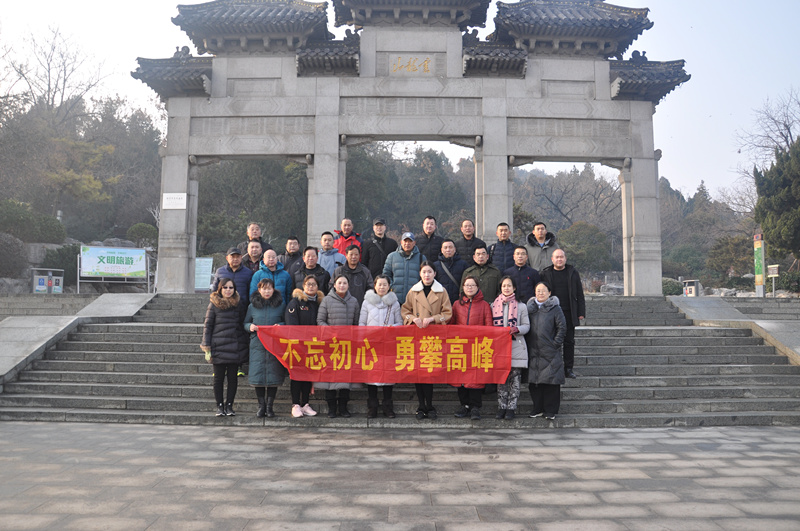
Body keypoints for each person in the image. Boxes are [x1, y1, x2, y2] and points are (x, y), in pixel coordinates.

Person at [401, 261, 452, 421]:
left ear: (434, 274)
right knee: (418, 372)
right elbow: (405, 310)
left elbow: (448, 313)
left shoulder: (441, 291)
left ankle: (429, 406)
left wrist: (433, 319)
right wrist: (413, 318)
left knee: (429, 372)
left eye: (430, 272)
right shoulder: (414, 291)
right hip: (417, 335)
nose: (427, 275)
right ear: (420, 274)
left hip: (433, 337)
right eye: (424, 272)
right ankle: (421, 406)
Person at [201, 279, 247, 417]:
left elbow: (241, 325)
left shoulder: (238, 304)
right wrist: (206, 345)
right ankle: (220, 406)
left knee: (233, 379)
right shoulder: (214, 304)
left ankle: (229, 405)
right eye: (225, 287)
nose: (228, 290)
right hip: (218, 346)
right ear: (220, 289)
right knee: (218, 379)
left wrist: (243, 344)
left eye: (231, 287)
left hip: (234, 346)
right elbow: (208, 326)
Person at [316, 275, 361, 418]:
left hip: (347, 345)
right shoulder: (327, 300)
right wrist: (332, 332)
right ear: (334, 285)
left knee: (345, 377)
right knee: (329, 378)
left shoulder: (354, 301)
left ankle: (343, 407)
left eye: (345, 283)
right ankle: (331, 408)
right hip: (330, 344)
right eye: (339, 283)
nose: (342, 285)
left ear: (348, 285)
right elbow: (320, 321)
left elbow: (356, 323)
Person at [358, 274, 402, 418]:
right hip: (371, 344)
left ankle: (388, 407)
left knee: (388, 376)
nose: (382, 287)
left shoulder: (394, 303)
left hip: (388, 345)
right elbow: (362, 323)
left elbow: (400, 323)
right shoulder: (367, 302)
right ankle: (372, 407)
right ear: (374, 286)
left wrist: (392, 328)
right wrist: (364, 338)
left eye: (385, 284)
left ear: (389, 287)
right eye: (379, 284)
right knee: (372, 376)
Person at [449, 276, 493, 421]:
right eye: (467, 285)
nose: (469, 288)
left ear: (477, 287)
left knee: (476, 377)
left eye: (472, 285)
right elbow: (451, 325)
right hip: (460, 347)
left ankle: (475, 407)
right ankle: (464, 405)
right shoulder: (457, 304)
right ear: (463, 287)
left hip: (477, 347)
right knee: (460, 377)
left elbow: (489, 327)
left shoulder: (484, 305)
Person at [539, 249, 585, 379]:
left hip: (569, 312)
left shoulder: (572, 272)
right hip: (551, 313)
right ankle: (552, 367)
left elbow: (579, 293)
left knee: (569, 341)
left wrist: (581, 312)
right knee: (551, 341)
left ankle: (568, 368)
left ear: (565, 258)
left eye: (561, 257)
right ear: (552, 259)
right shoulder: (545, 273)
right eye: (557, 257)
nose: (559, 259)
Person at [243, 278, 286, 418]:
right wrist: (250, 327)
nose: (266, 291)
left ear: (273, 289)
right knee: (258, 377)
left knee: (273, 376)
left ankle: (269, 407)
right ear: (259, 290)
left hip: (275, 344)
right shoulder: (252, 306)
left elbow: (286, 322)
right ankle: (261, 406)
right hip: (257, 345)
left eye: (269, 288)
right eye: (264, 288)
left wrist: (281, 326)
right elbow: (245, 323)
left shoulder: (281, 305)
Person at [526, 281, 567, 421]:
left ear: (549, 293)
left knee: (551, 381)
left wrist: (555, 344)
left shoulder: (555, 308)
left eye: (544, 290)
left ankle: (550, 410)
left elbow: (562, 327)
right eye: (538, 290)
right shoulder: (529, 309)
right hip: (533, 350)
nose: (541, 293)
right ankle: (537, 408)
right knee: (535, 381)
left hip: (550, 350)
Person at [491, 276, 530, 420]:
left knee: (515, 380)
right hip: (499, 347)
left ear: (514, 288)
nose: (506, 288)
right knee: (501, 380)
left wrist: (517, 329)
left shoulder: (521, 306)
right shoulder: (493, 305)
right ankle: (501, 407)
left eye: (509, 286)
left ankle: (511, 408)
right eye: (504, 286)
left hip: (516, 345)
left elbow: (527, 326)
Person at [284, 275, 321, 418]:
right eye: (308, 284)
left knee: (308, 374)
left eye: (314, 284)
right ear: (303, 286)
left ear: (317, 287)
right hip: (297, 345)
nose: (311, 287)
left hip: (313, 345)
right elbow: (291, 324)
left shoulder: (318, 303)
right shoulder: (295, 302)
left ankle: (305, 404)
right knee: (296, 374)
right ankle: (295, 404)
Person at [383, 232, 425, 305]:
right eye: (405, 241)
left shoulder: (421, 258)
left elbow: (424, 277)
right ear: (401, 242)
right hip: (395, 299)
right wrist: (392, 287)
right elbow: (386, 275)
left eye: (410, 241)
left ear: (414, 243)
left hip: (415, 299)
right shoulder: (392, 257)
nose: (407, 243)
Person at [433, 239, 467, 304]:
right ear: (441, 250)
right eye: (445, 248)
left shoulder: (463, 264)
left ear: (455, 249)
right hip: (441, 301)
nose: (448, 250)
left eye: (450, 247)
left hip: (459, 301)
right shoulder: (436, 265)